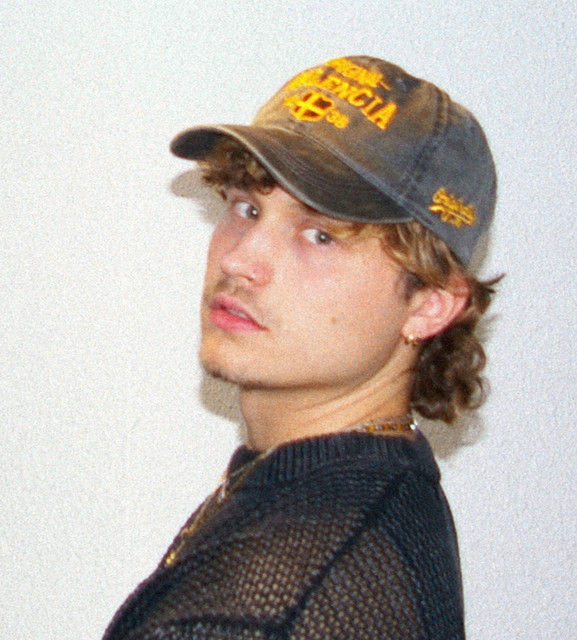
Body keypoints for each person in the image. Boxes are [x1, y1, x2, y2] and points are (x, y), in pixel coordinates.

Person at [103, 55, 498, 640]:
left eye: (320, 235)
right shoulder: (370, 481)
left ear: (430, 304)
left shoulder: (264, 608)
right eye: (247, 208)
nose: (240, 259)